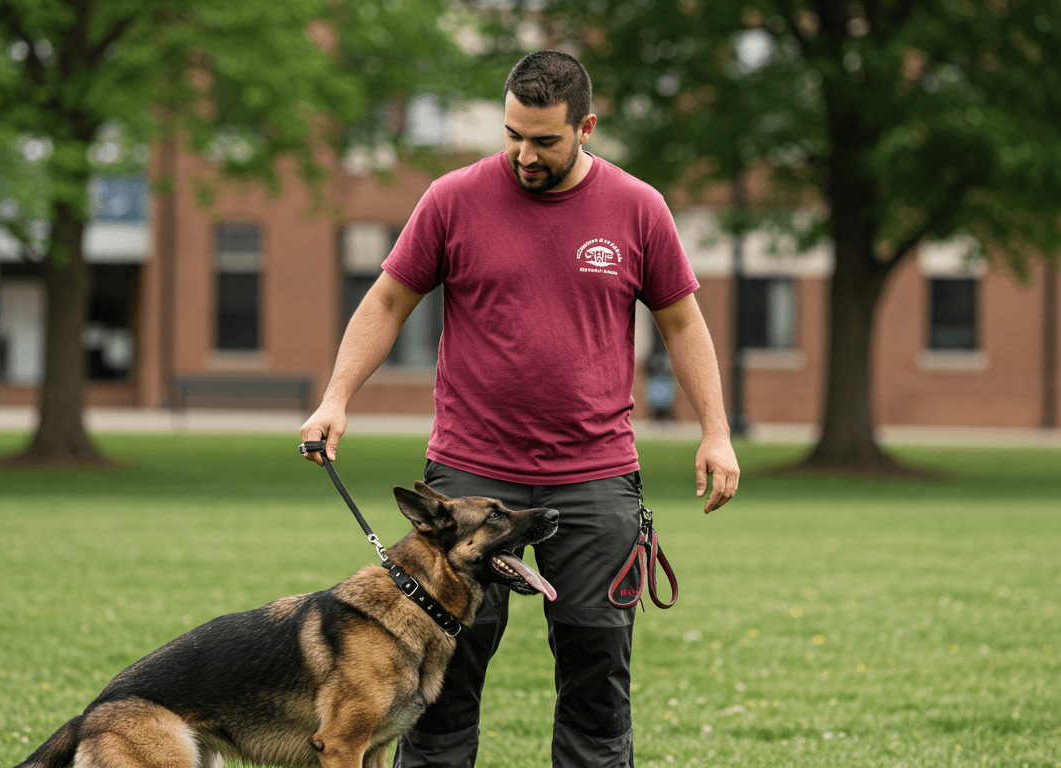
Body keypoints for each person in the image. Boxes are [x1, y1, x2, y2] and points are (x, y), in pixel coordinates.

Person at [299, 50, 740, 768]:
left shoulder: (638, 208)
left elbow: (682, 323)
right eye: (512, 134)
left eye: (544, 140)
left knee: (598, 678)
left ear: (587, 127)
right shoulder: (451, 198)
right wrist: (335, 398)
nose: (523, 155)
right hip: (469, 481)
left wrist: (716, 433)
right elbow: (387, 300)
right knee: (439, 684)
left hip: (594, 476)